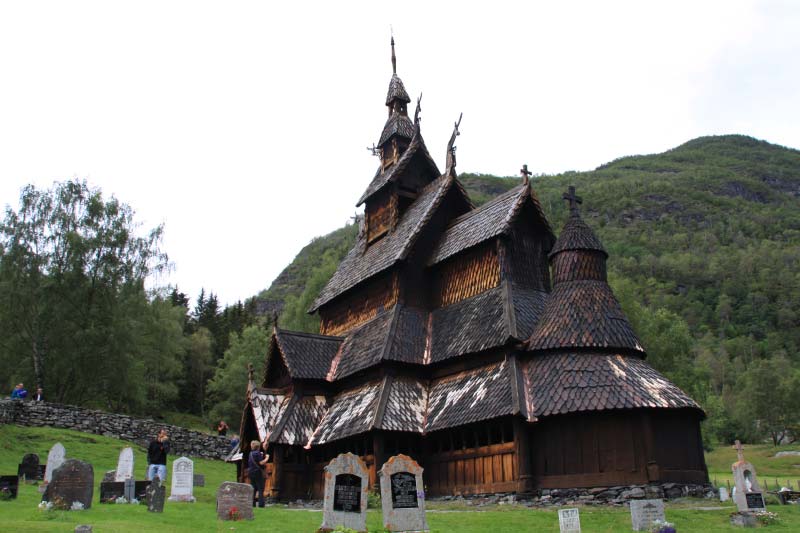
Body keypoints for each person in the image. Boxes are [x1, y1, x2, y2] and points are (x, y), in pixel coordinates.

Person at [247, 440, 269, 508]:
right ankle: (261, 504)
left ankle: (252, 503)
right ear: (258, 447)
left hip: (251, 472)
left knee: (253, 488)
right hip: (257, 472)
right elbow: (261, 463)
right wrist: (267, 458)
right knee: (260, 488)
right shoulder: (257, 453)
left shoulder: (251, 453)